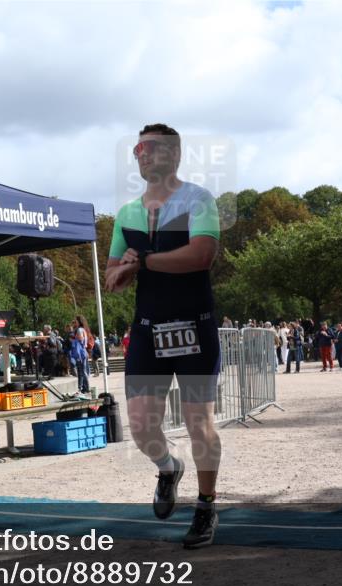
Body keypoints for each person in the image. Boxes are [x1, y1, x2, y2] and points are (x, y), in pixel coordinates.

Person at [104, 122, 222, 548]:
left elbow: (202, 255)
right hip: (149, 330)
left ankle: (206, 506)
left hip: (194, 327)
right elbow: (111, 279)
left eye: (151, 147)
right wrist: (125, 268)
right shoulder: (126, 214)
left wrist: (145, 262)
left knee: (199, 424)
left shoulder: (199, 200)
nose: (142, 154)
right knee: (139, 427)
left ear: (174, 155)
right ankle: (169, 467)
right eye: (137, 149)